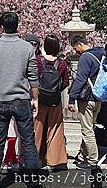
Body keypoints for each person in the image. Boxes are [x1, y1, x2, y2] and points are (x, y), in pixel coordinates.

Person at [0, 11, 41, 187]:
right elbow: (33, 77)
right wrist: (35, 99)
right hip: (22, 99)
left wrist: (0, 75)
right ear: (17, 25)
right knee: (28, 141)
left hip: (1, 100)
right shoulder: (27, 47)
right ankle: (32, 181)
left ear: (1, 26)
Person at [67, 34, 106, 169]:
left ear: (79, 45)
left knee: (87, 130)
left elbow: (80, 79)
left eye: (75, 48)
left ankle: (92, 161)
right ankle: (84, 154)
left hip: (87, 99)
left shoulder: (85, 57)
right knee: (90, 127)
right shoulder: (101, 54)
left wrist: (72, 98)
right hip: (99, 97)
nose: (75, 51)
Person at [34, 34, 69, 169]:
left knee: (37, 129)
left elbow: (32, 78)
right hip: (54, 101)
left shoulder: (38, 61)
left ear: (45, 46)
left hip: (40, 99)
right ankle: (54, 161)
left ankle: (34, 158)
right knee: (54, 129)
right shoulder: (62, 63)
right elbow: (66, 82)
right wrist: (56, 90)